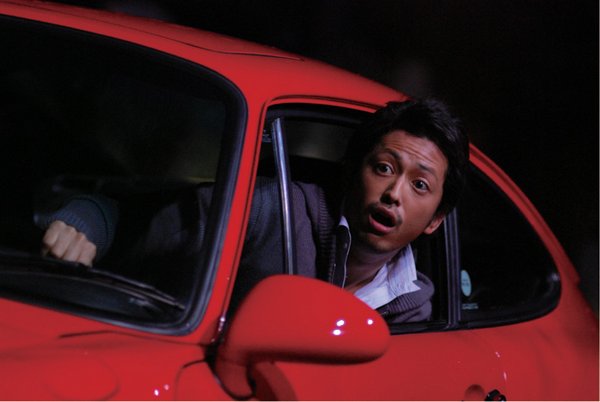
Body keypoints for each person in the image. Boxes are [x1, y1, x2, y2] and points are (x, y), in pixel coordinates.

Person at [37, 98, 469, 323]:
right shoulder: (269, 211)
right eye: (383, 168)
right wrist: (86, 223)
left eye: (419, 185)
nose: (394, 193)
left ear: (435, 219)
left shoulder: (415, 310)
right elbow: (130, 219)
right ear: (353, 170)